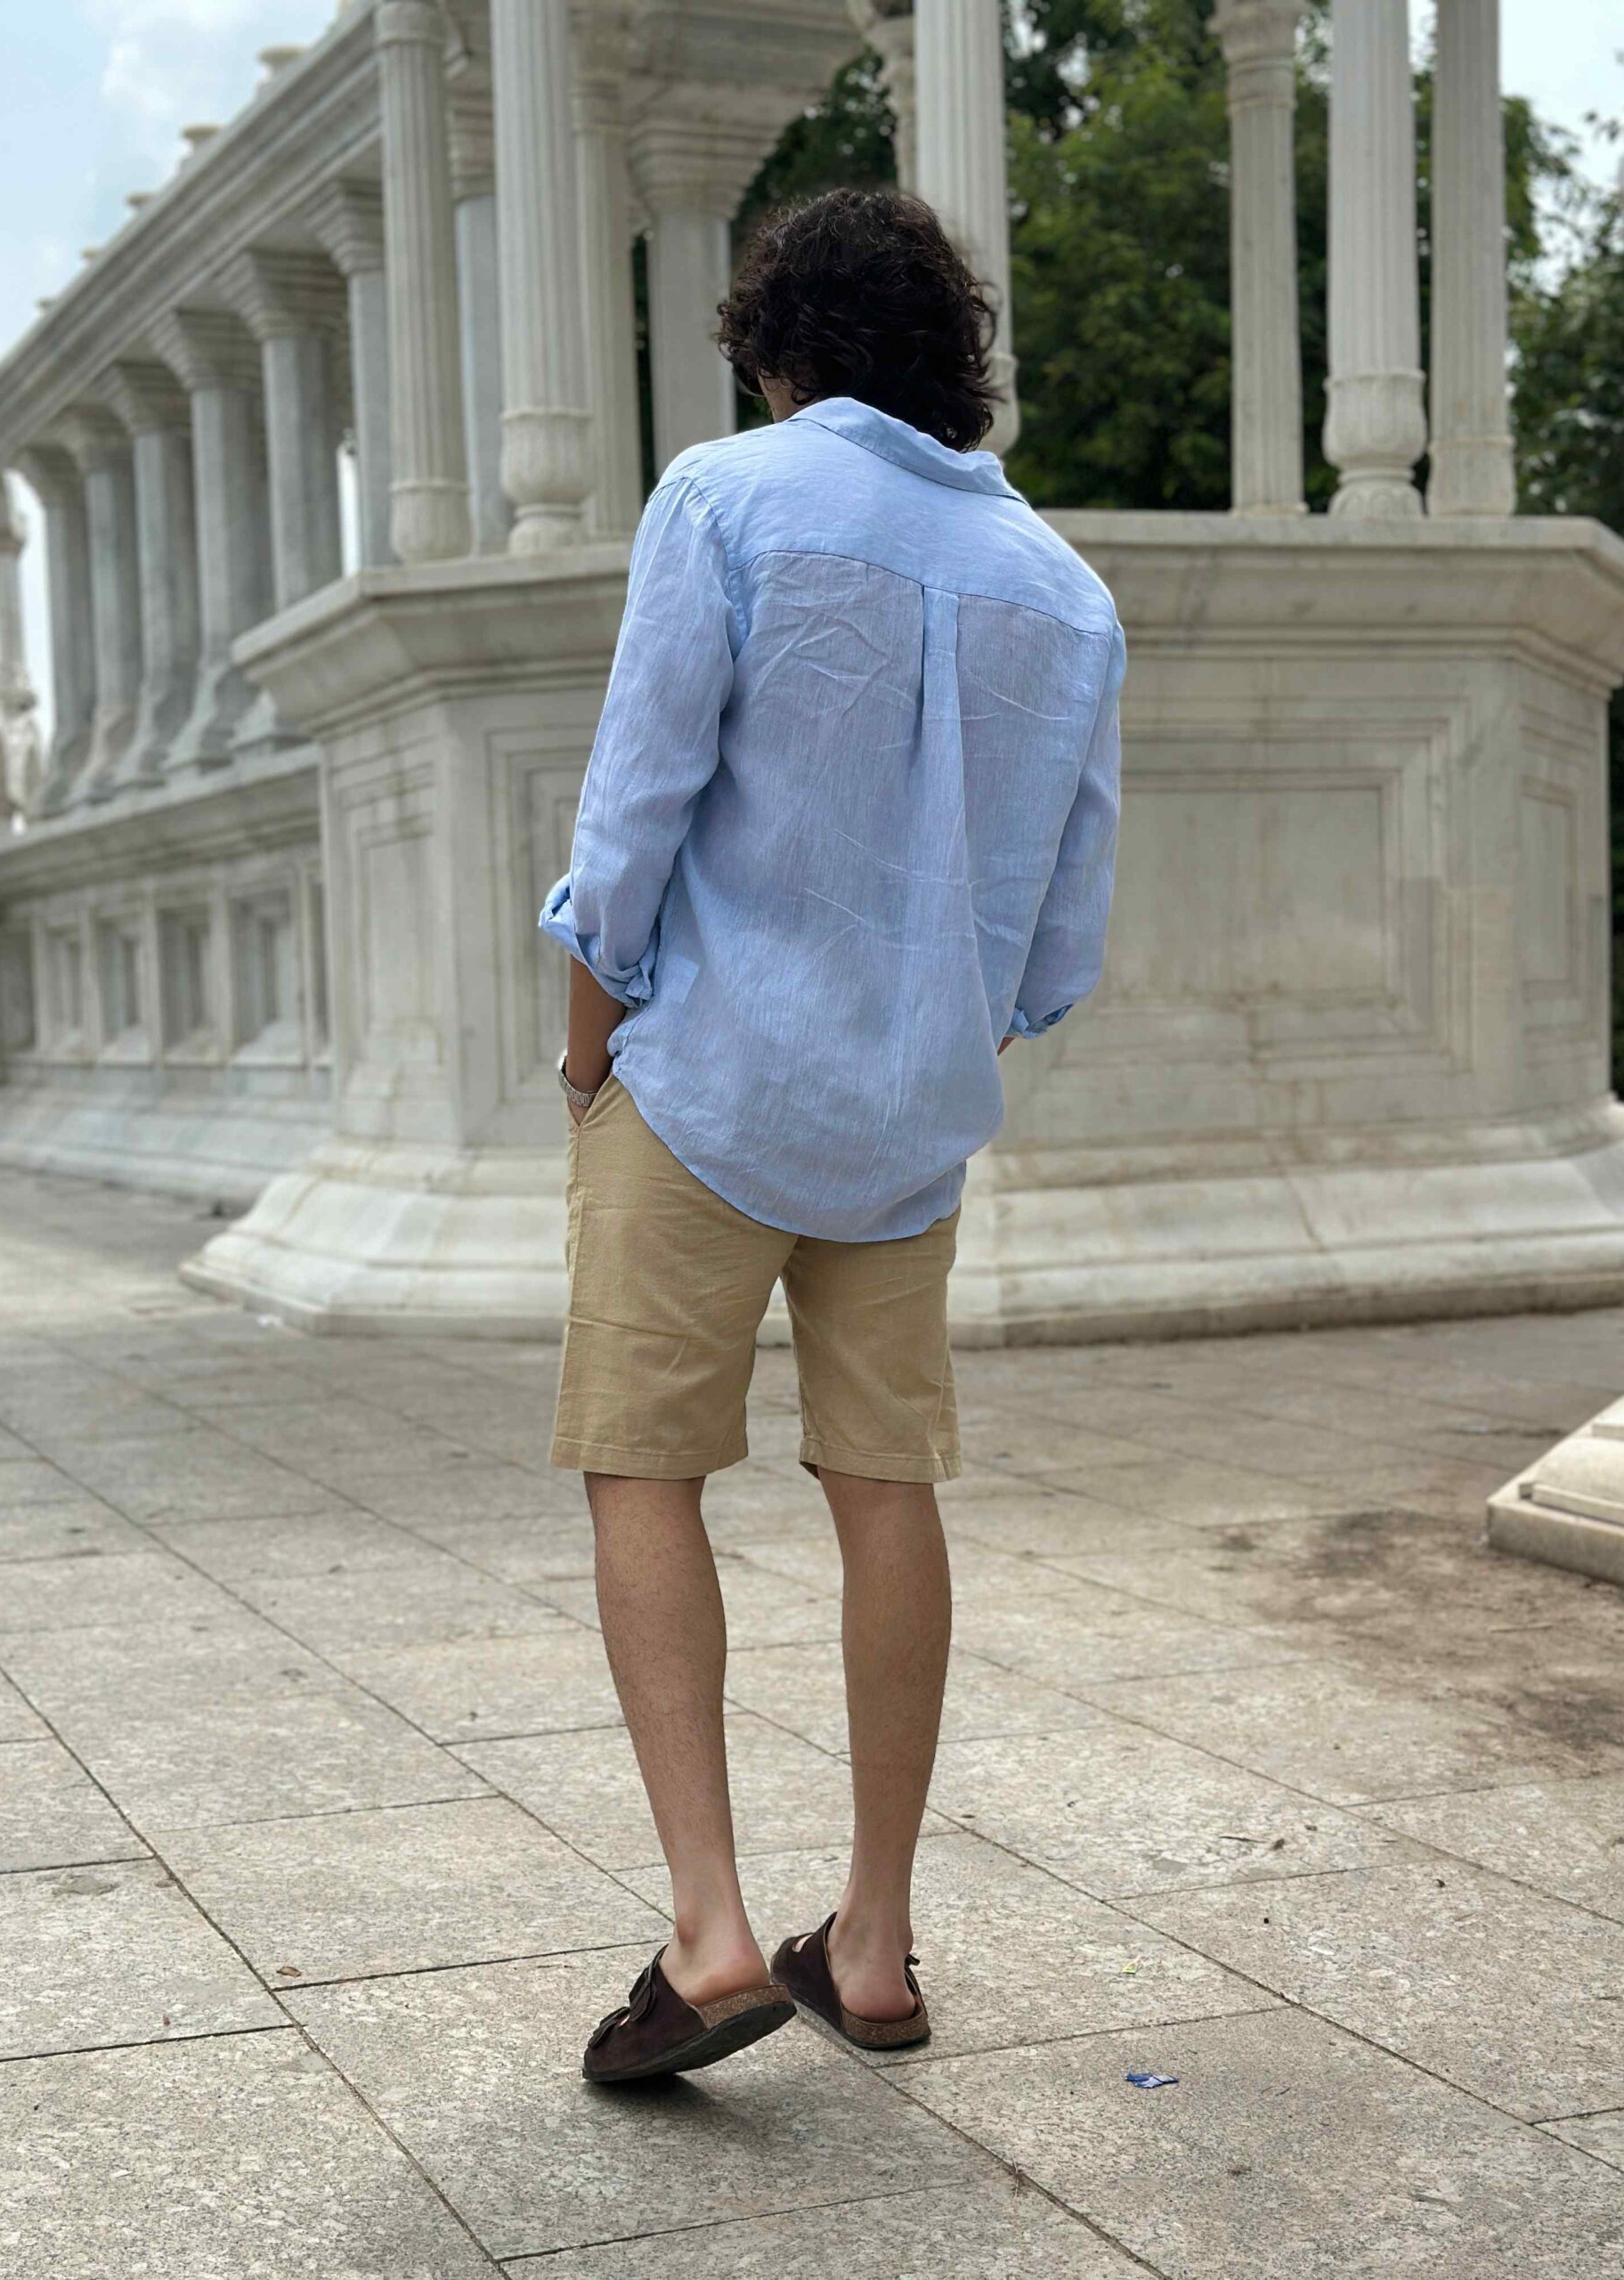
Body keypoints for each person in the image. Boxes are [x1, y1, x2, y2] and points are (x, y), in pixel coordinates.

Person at [540, 185, 1123, 2086]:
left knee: (644, 1461)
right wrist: (936, 1024)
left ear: (777, 346)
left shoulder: (729, 496)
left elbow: (640, 796)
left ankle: (711, 1928)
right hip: (909, 1119)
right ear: (952, 356)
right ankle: (869, 1941)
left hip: (708, 1079)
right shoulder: (1065, 588)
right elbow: (1060, 938)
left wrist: (589, 1031)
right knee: (888, 1484)